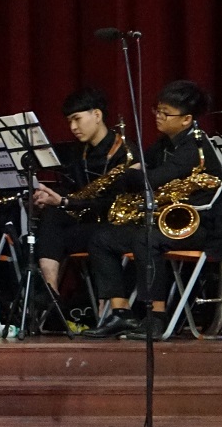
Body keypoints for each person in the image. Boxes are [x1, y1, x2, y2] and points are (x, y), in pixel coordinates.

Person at [84, 81, 222, 338]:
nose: (158, 116)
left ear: (186, 119)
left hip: (202, 226)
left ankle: (156, 317)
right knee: (102, 239)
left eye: (166, 113)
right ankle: (121, 313)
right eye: (157, 110)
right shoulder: (164, 143)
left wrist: (131, 175)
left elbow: (152, 179)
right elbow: (142, 168)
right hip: (165, 222)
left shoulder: (196, 148)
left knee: (146, 239)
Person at [29, 87, 130, 296]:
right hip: (85, 220)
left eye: (77, 119)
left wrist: (66, 202)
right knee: (50, 219)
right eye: (69, 121)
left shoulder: (124, 153)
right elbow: (72, 189)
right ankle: (50, 292)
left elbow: (113, 201)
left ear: (97, 115)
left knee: (56, 234)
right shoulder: (78, 150)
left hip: (113, 225)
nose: (73, 127)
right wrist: (51, 197)